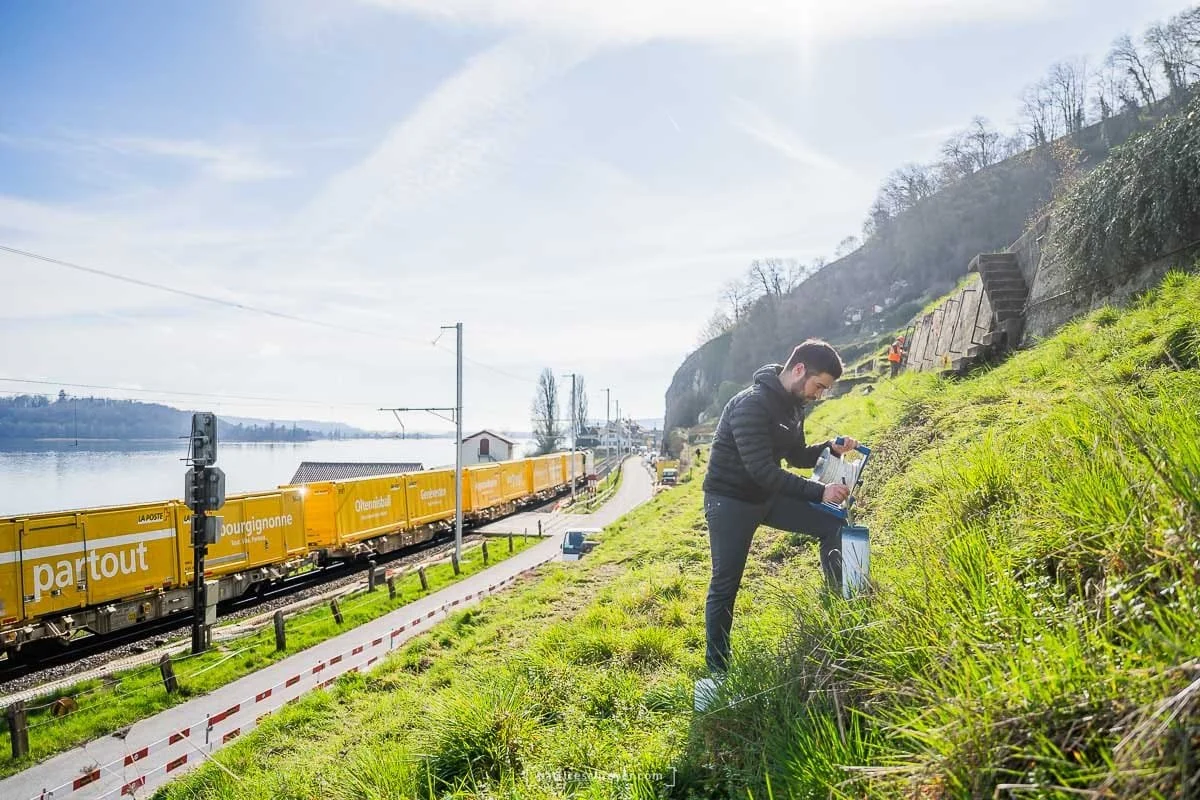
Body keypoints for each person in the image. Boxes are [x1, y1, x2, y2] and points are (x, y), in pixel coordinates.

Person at [700, 339, 859, 677]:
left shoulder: (793, 404)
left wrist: (829, 448)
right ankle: (717, 671)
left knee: (834, 524)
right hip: (729, 501)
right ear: (799, 370)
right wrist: (820, 492)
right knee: (725, 584)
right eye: (819, 386)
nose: (819, 395)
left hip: (766, 495)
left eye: (824, 390)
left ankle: (841, 612)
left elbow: (796, 455)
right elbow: (762, 469)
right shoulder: (750, 405)